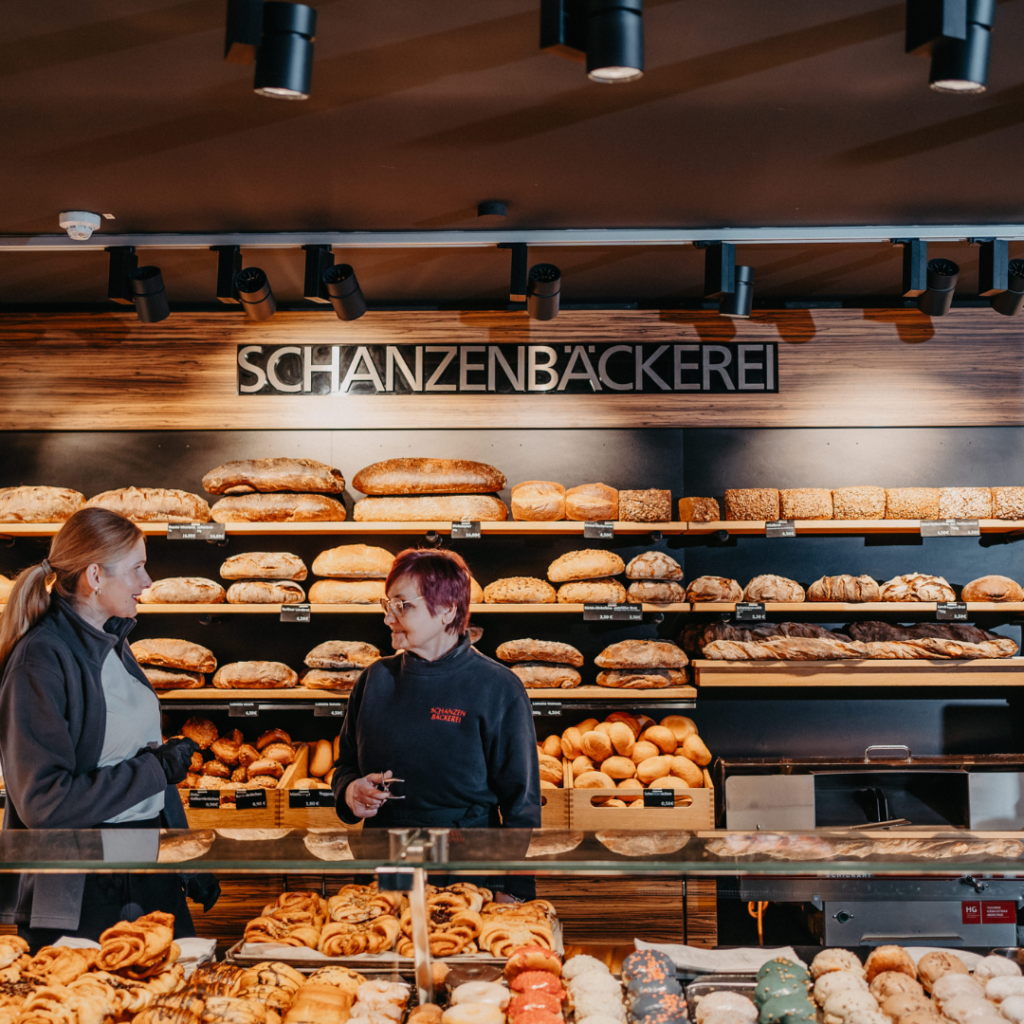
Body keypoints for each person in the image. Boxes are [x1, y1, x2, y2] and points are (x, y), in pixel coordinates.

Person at [0, 507, 214, 951]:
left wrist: (183, 855)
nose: (147, 581)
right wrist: (155, 770)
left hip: (144, 874)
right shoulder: (40, 661)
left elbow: (142, 764)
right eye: (136, 568)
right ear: (95, 575)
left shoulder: (116, 643)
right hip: (82, 892)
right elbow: (44, 802)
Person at [332, 547, 541, 847]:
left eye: (402, 605)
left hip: (468, 865)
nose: (388, 618)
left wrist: (513, 888)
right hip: (383, 865)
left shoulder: (498, 687)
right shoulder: (373, 679)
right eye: (388, 604)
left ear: (447, 609)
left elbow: (522, 803)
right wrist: (350, 791)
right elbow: (345, 766)